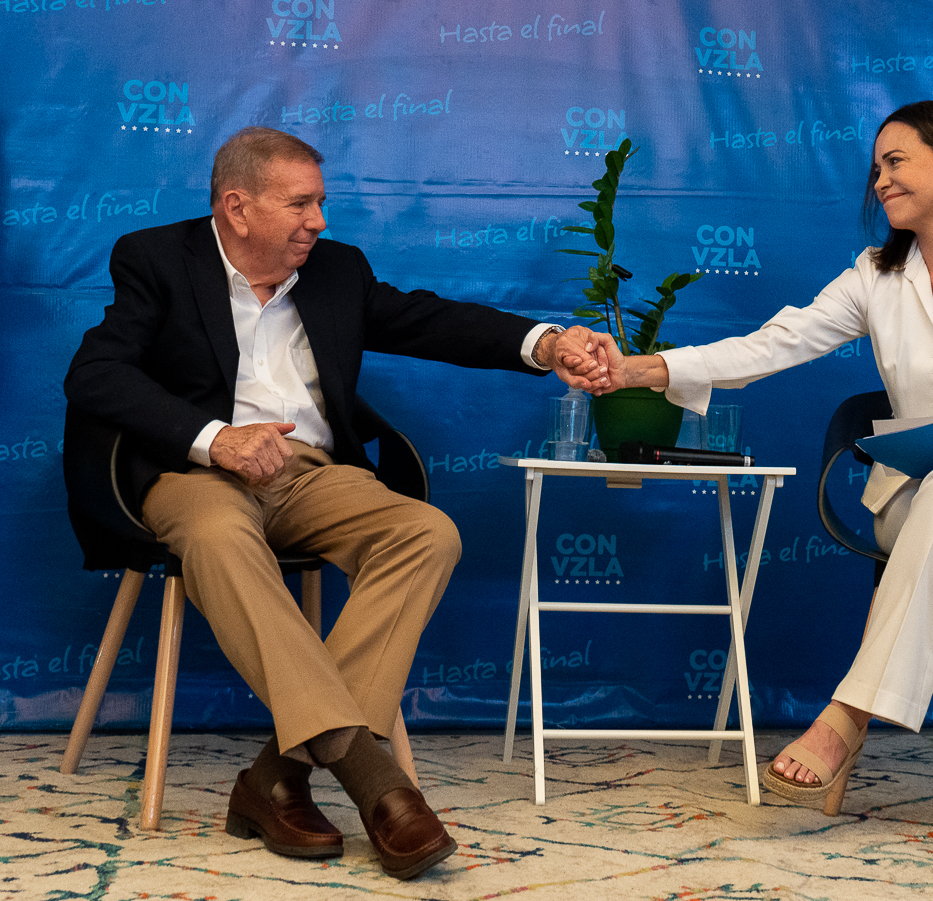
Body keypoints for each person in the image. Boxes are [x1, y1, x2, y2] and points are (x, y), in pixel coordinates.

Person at [63, 126, 604, 879]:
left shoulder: (335, 269)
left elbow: (430, 319)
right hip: (198, 474)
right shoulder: (157, 259)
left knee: (426, 532)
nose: (319, 220)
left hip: (311, 472)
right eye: (302, 203)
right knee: (220, 539)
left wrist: (544, 344)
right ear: (237, 207)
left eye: (321, 201)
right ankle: (369, 774)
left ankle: (274, 777)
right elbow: (95, 375)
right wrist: (215, 438)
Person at [564, 100, 933, 844]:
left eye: (897, 161)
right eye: (875, 167)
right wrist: (645, 368)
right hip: (922, 504)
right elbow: (771, 344)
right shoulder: (876, 278)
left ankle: (846, 715)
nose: (880, 179)